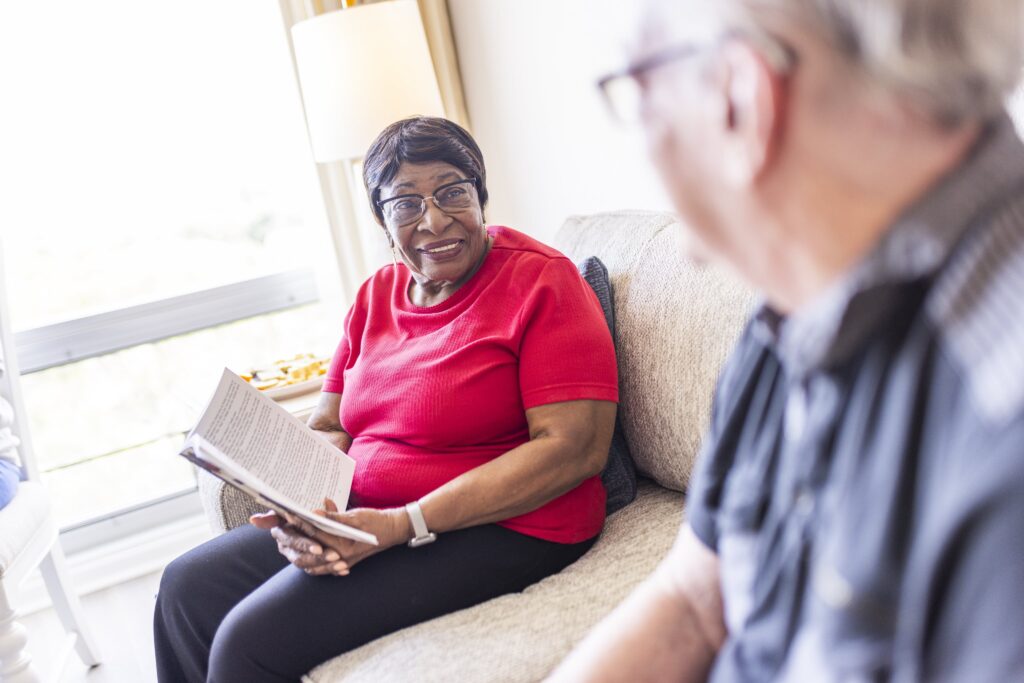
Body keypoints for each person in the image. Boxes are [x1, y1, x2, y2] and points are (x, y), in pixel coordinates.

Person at [551, 0, 1024, 681]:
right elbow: (692, 599)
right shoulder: (799, 299)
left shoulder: (999, 420)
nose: (640, 136)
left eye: (640, 91)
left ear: (739, 103)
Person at [154, 116, 618, 682]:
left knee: (248, 644)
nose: (435, 219)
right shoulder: (375, 295)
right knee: (185, 589)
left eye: (453, 193)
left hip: (507, 525)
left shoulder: (544, 282)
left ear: (481, 196)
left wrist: (401, 524)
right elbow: (330, 422)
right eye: (406, 203)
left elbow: (574, 450)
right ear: (381, 218)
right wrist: (304, 504)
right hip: (364, 514)